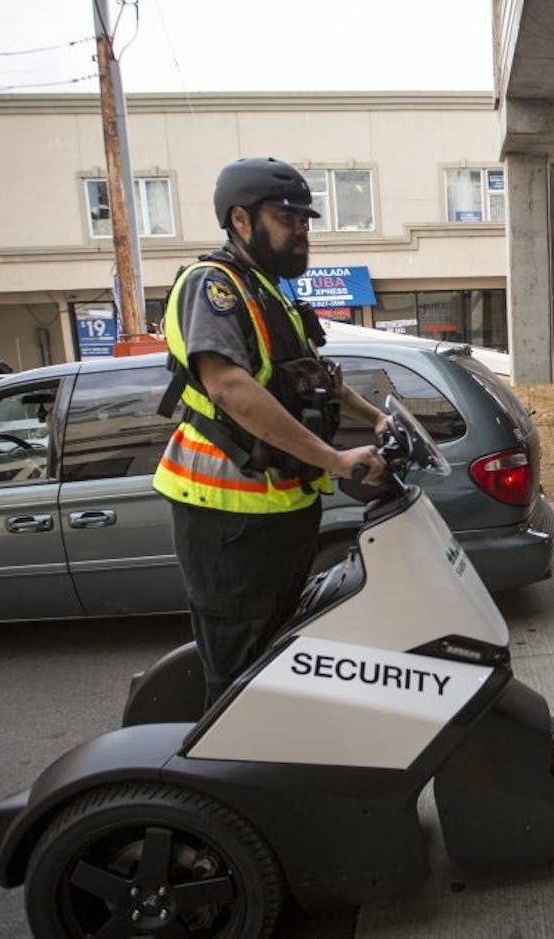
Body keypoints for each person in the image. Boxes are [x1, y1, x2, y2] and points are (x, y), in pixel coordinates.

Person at [154, 156, 389, 707]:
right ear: (241, 221)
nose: (302, 233)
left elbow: (313, 376)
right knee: (240, 669)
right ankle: (229, 781)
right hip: (226, 517)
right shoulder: (213, 286)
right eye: (288, 220)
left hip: (280, 508)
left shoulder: (272, 291)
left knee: (276, 654)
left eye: (306, 222)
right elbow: (230, 388)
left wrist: (374, 415)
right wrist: (335, 460)